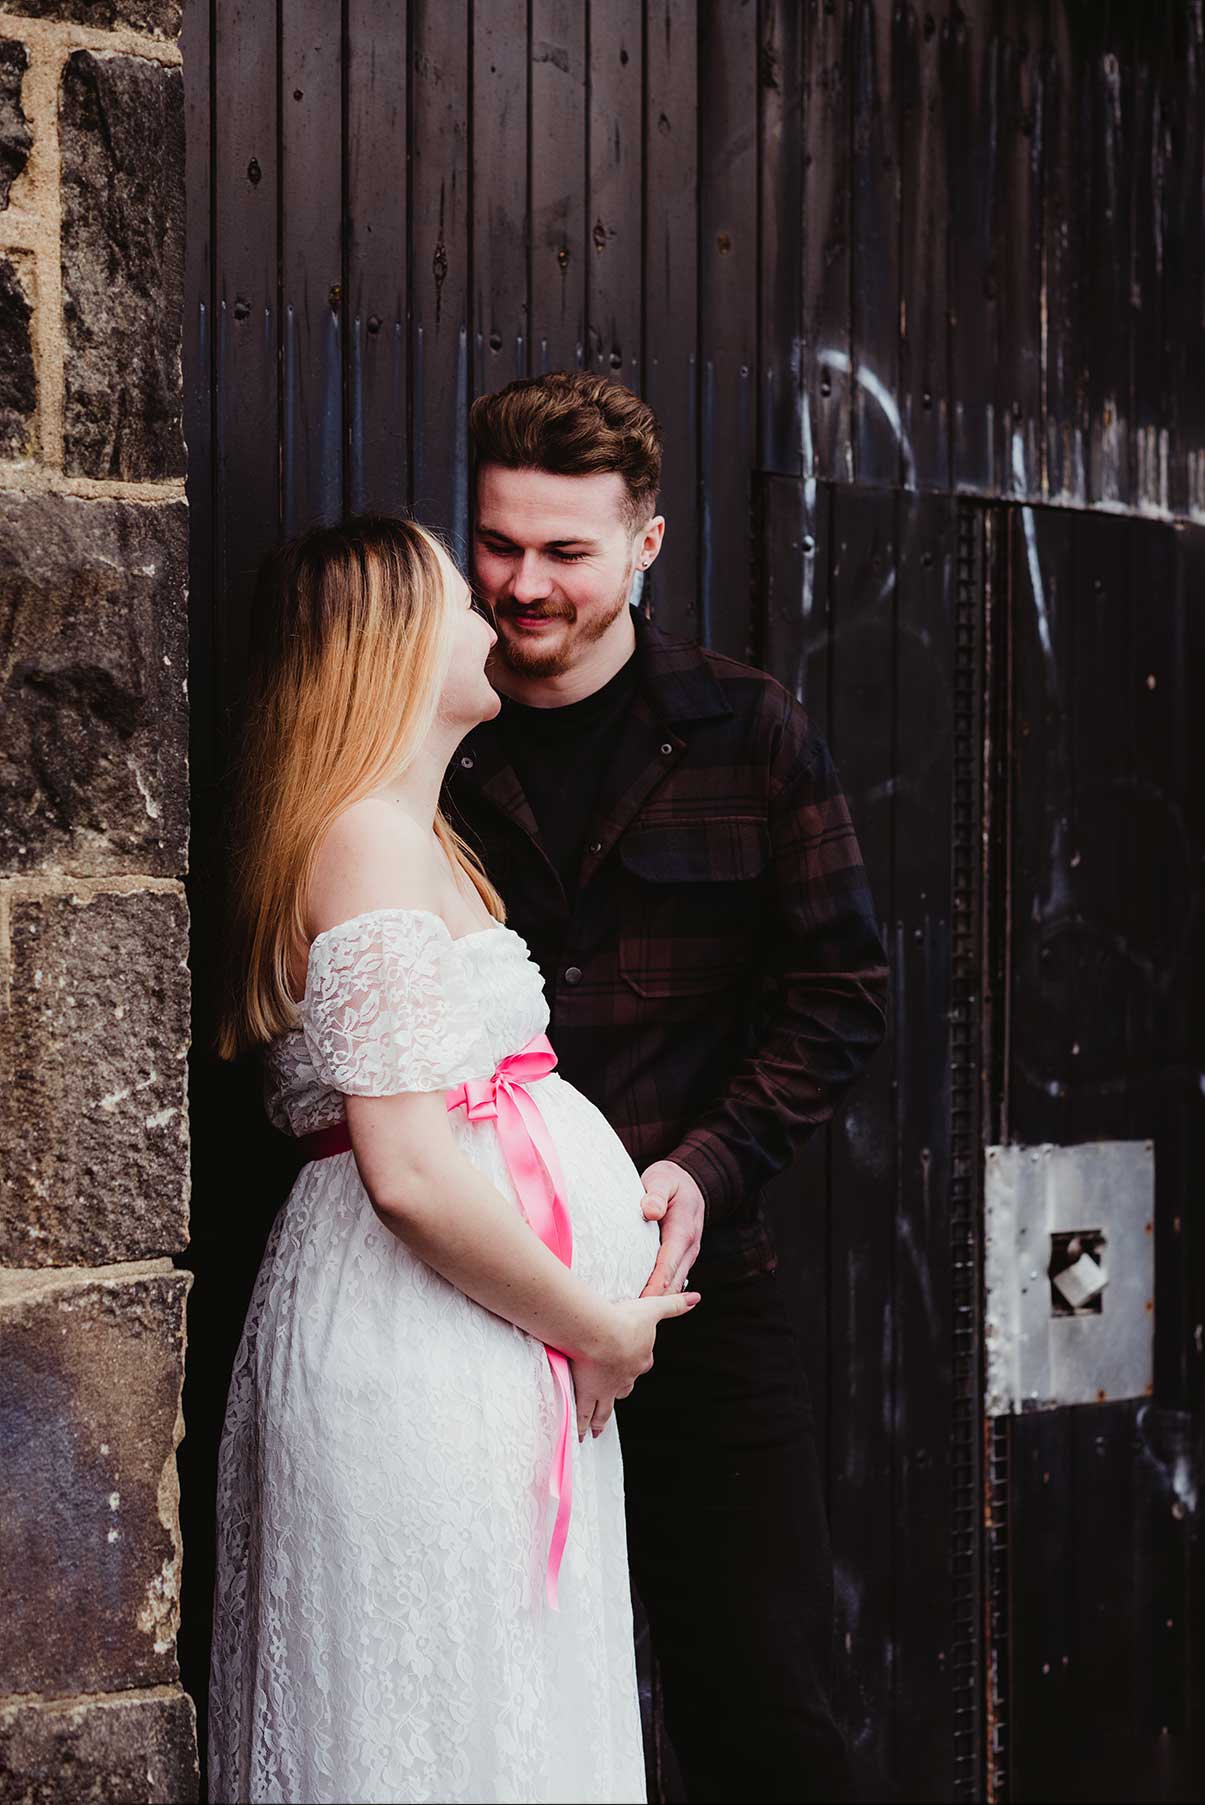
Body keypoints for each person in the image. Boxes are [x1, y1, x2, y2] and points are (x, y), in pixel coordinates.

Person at [207, 514, 700, 1805]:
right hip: (422, 1345)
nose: (491, 620)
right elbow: (413, 1172)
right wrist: (596, 1323)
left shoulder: (412, 839)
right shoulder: (366, 841)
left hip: (475, 1341)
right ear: (390, 645)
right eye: (458, 604)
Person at [446, 372, 890, 1804]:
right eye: (498, 542)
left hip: (697, 1294)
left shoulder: (751, 731)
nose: (523, 584)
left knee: (763, 1709)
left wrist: (708, 1166)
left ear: (646, 543)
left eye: (565, 551)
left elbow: (840, 991)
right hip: (475, 1303)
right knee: (498, 1718)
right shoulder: (427, 735)